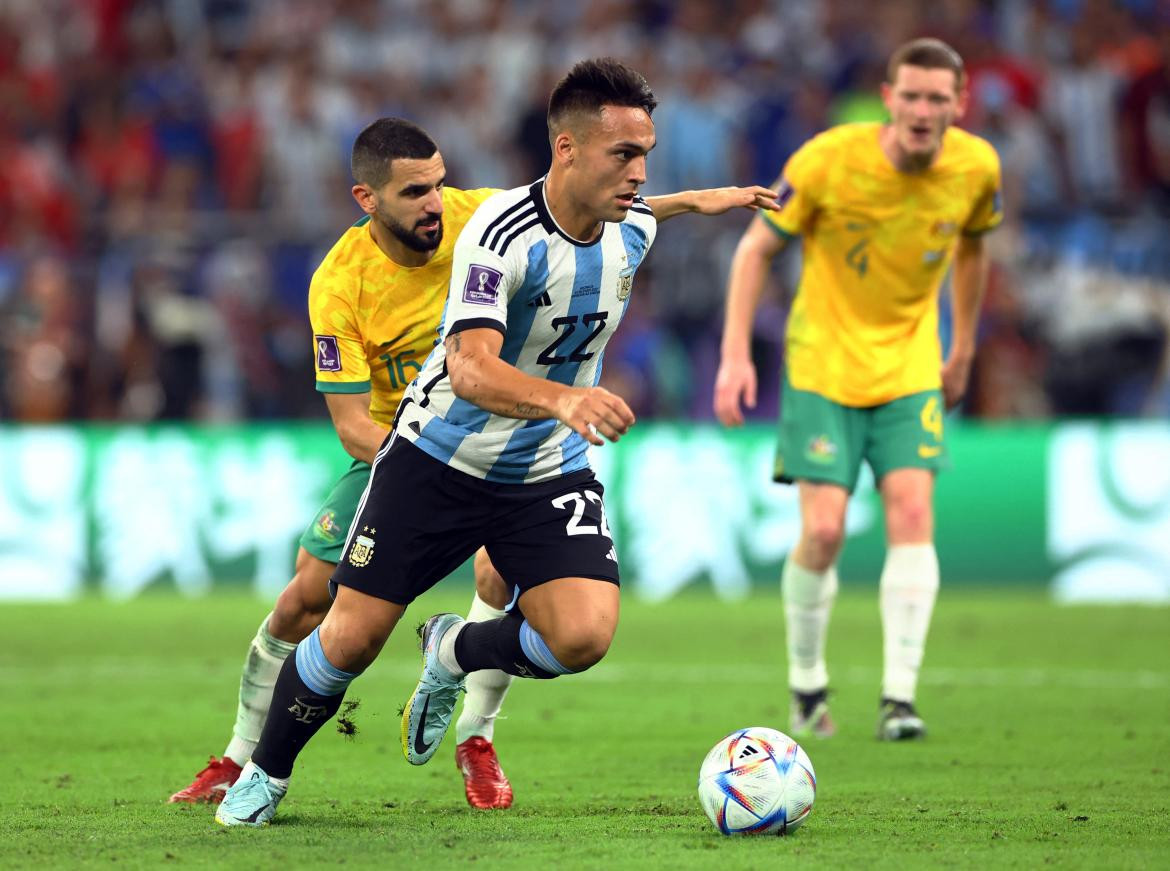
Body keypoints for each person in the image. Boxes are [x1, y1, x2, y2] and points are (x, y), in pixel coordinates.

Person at [214, 57, 778, 827]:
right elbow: (471, 370)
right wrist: (566, 398)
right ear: (568, 148)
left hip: (544, 466)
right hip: (438, 456)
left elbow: (651, 211)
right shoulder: (494, 234)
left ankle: (452, 652)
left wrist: (702, 201)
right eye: (625, 155)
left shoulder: (633, 227)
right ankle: (265, 773)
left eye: (648, 153)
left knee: (581, 637)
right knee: (348, 635)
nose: (641, 173)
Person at [713, 38, 1002, 742]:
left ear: (959, 105)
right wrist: (733, 356)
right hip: (823, 366)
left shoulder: (977, 167)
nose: (924, 110)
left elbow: (972, 248)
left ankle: (899, 696)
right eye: (912, 95)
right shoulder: (826, 160)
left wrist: (961, 346)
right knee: (824, 528)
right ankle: (807, 681)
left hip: (910, 366)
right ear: (888, 97)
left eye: (939, 98)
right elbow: (755, 247)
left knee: (910, 510)